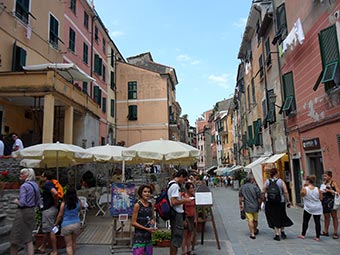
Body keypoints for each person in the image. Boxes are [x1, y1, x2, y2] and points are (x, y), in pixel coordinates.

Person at [9, 168, 41, 255]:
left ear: (27, 175)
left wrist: (16, 201)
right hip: (31, 211)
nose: (20, 175)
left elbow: (22, 203)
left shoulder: (24, 186)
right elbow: (38, 201)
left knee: (14, 238)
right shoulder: (35, 185)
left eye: (22, 173)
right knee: (28, 238)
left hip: (23, 212)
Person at [262, 168, 293, 241]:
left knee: (273, 216)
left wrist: (263, 200)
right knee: (282, 215)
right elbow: (285, 191)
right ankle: (282, 231)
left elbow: (263, 191)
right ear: (276, 173)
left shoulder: (267, 181)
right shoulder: (281, 181)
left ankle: (277, 234)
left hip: (270, 202)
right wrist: (288, 201)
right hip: (280, 202)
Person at [168, 169, 192, 255]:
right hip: (176, 213)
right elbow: (174, 202)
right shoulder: (175, 186)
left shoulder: (170, 183)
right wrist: (186, 201)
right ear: (181, 176)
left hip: (175, 213)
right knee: (177, 237)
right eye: (185, 179)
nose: (184, 181)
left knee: (175, 237)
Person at [54, 187, 82, 255]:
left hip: (66, 224)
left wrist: (56, 223)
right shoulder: (78, 202)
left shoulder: (64, 203)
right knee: (74, 242)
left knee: (68, 245)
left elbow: (60, 215)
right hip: (76, 223)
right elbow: (80, 210)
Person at [37, 171, 59, 255]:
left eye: (42, 176)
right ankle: (42, 247)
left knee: (50, 230)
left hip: (48, 209)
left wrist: (55, 202)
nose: (41, 177)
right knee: (47, 229)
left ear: (45, 178)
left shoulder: (47, 184)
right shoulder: (50, 183)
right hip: (51, 208)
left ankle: (54, 251)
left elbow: (55, 193)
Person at [131, 184, 156, 255]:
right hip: (139, 237)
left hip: (148, 237)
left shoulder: (151, 205)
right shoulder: (137, 205)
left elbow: (152, 217)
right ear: (141, 193)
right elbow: (133, 222)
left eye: (149, 192)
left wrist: (152, 222)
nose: (147, 193)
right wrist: (146, 228)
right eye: (145, 191)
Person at [298, 175, 323, 241]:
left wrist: (303, 187)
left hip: (308, 207)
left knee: (305, 221)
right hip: (317, 207)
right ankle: (317, 237)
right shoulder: (317, 189)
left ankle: (303, 234)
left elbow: (302, 195)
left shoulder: (305, 189)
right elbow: (321, 198)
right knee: (317, 222)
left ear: (308, 181)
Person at [239, 175, 261, 239]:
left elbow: (240, 197)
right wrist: (259, 205)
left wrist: (240, 204)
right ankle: (255, 229)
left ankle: (252, 234)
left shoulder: (242, 187)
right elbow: (259, 197)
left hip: (247, 206)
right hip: (255, 205)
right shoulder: (255, 186)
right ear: (251, 180)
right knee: (255, 219)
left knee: (250, 220)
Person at [320, 170, 340, 239]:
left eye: (326, 176)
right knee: (326, 217)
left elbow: (338, 192)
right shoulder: (324, 183)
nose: (325, 177)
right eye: (324, 176)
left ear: (330, 176)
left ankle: (335, 232)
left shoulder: (333, 183)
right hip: (325, 201)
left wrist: (329, 190)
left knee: (334, 216)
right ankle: (325, 231)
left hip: (331, 201)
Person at [181, 182, 196, 255]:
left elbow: (195, 208)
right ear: (187, 189)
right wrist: (183, 219)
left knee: (190, 234)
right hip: (186, 217)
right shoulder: (184, 197)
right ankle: (184, 251)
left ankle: (188, 250)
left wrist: (195, 218)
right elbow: (182, 208)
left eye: (193, 188)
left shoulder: (193, 197)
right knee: (185, 234)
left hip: (192, 217)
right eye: (190, 188)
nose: (192, 189)